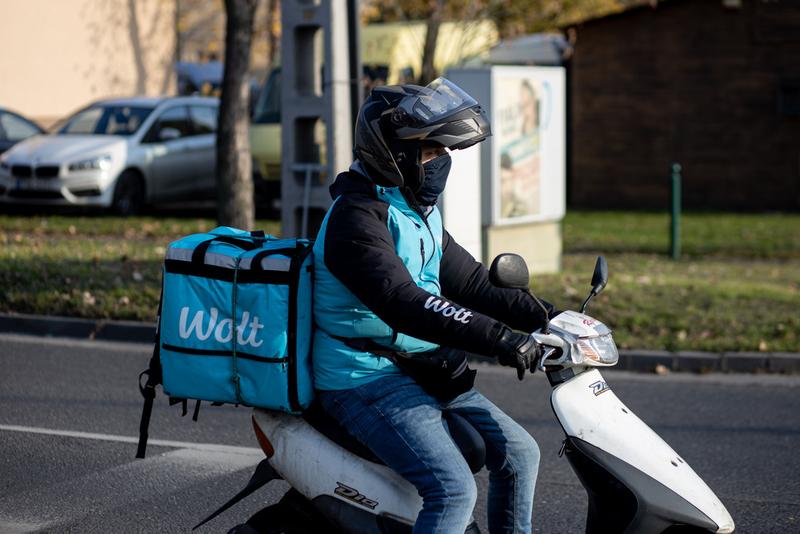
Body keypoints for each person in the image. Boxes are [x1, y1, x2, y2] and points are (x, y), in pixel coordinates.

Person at [311, 77, 556, 534]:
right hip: (363, 377)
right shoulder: (356, 219)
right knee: (453, 489)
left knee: (521, 454)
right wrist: (499, 338)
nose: (441, 162)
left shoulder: (414, 208)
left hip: (420, 365)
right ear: (393, 154)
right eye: (429, 152)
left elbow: (474, 282)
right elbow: (404, 302)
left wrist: (550, 316)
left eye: (444, 152)